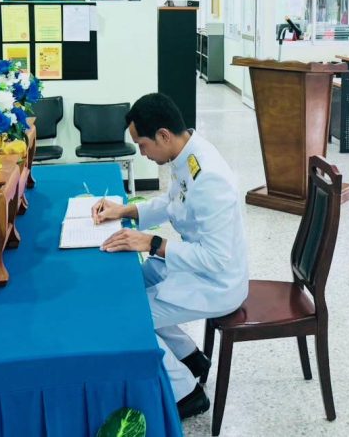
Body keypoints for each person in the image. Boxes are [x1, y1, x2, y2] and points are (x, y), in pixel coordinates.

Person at [91, 93, 248, 420]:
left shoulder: (209, 176)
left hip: (218, 282)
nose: (142, 153)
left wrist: (152, 243)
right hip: (195, 266)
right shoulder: (187, 153)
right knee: (134, 284)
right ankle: (190, 357)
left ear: (163, 135)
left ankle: (187, 393)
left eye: (143, 145)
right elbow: (174, 202)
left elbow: (216, 258)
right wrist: (127, 210)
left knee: (130, 317)